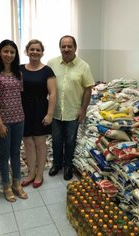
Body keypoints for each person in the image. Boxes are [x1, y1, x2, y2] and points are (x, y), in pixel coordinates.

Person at [47, 35, 95, 180]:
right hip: (55, 111)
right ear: (60, 47)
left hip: (73, 112)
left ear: (75, 48)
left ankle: (68, 165)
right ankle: (57, 164)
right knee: (56, 140)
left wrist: (83, 109)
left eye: (69, 46)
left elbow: (88, 89)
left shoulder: (83, 66)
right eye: (63, 46)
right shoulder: (51, 64)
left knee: (70, 141)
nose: (66, 49)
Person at [0, 40, 28, 201]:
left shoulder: (19, 74)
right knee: (4, 155)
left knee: (16, 153)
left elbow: (19, 96)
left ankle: (17, 184)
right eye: (6, 51)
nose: (9, 55)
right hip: (3, 121)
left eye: (12, 52)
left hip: (19, 119)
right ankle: (6, 186)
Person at [20, 39, 56, 188]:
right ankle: (30, 173)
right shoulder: (19, 69)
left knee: (40, 143)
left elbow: (53, 94)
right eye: (32, 49)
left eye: (37, 50)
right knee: (28, 143)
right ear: (27, 51)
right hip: (23, 110)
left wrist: (50, 114)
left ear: (42, 52)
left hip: (41, 109)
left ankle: (40, 174)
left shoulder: (47, 70)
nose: (34, 52)